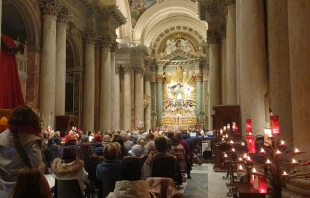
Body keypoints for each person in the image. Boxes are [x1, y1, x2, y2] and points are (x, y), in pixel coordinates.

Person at [0, 106, 44, 197]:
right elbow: (36, 168)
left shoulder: (1, 137)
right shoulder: (32, 141)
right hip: (23, 191)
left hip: (2, 190)